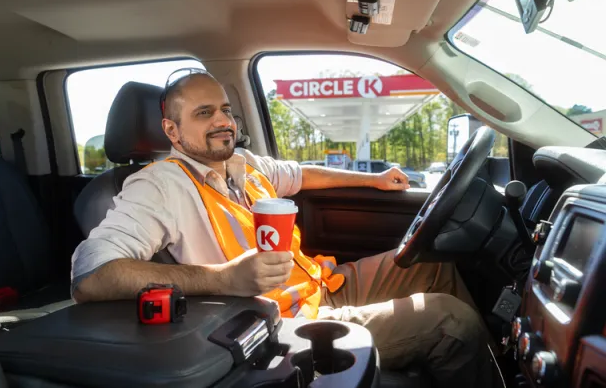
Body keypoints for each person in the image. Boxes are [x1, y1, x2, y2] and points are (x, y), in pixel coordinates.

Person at [71, 69, 493, 387]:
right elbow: (91, 276)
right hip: (284, 321)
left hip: (323, 283)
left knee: (437, 266)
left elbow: (302, 174)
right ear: (171, 130)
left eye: (225, 110)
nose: (223, 121)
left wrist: (373, 179)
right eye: (204, 113)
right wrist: (223, 277)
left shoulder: (244, 164)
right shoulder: (159, 184)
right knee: (451, 322)